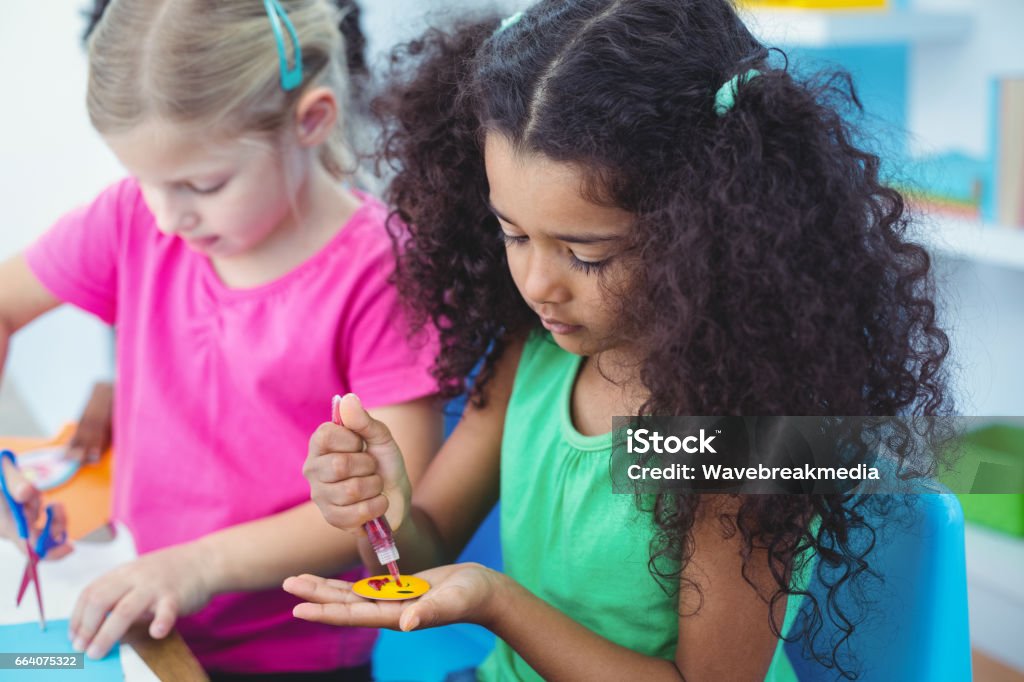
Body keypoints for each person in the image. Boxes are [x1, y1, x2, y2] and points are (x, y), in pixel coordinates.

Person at [285, 0, 952, 679]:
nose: (539, 282)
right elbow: (419, 562)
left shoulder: (733, 440)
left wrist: (496, 602)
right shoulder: (533, 357)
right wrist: (384, 512)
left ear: (707, 231)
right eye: (513, 234)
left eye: (588, 255)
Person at [0, 0, 440, 678]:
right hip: (138, 628)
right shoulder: (131, 219)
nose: (169, 216)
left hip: (297, 655)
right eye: (145, 181)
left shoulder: (380, 271)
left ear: (311, 122)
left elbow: (388, 505)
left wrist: (197, 565)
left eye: (202, 184)